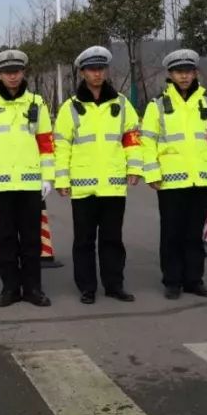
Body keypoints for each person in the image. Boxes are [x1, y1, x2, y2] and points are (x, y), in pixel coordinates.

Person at [54, 46, 142, 304]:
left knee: (113, 239)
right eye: (92, 69)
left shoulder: (122, 104)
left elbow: (132, 140)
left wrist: (134, 168)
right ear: (82, 72)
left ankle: (114, 285)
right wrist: (61, 179)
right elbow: (62, 145)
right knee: (84, 241)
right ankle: (87, 287)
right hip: (83, 188)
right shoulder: (70, 108)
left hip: (114, 186)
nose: (97, 74)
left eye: (101, 68)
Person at [141, 49, 207, 300]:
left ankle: (194, 280)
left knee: (194, 233)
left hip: (200, 178)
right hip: (170, 181)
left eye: (188, 72)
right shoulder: (157, 105)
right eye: (179, 72)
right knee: (172, 233)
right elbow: (147, 141)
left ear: (195, 73)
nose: (184, 76)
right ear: (170, 74)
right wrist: (152, 173)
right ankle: (172, 281)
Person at [0, 49, 55, 307]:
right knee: (6, 241)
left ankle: (33, 289)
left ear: (23, 72)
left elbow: (45, 143)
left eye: (16, 71)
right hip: (1, 186)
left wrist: (47, 177)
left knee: (32, 241)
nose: (12, 76)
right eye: (7, 72)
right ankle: (9, 288)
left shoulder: (36, 103)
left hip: (31, 184)